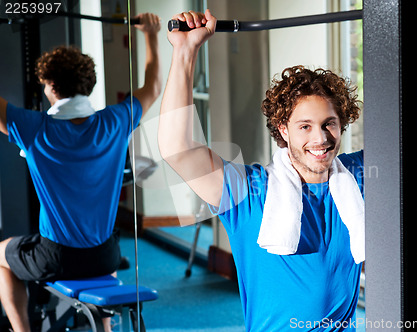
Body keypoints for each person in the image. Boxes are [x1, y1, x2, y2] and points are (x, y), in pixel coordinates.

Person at [159, 9, 365, 332]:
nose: (320, 138)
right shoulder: (251, 193)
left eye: (329, 124)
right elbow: (178, 148)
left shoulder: (357, 177)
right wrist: (185, 53)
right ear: (283, 129)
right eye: (305, 126)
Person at [0, 12, 162, 332]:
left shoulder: (34, 128)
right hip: (106, 256)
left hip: (56, 258)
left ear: (49, 86)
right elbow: (153, 86)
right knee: (101, 256)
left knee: (1, 257)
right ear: (88, 85)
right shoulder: (115, 122)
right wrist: (151, 35)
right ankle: (106, 329)